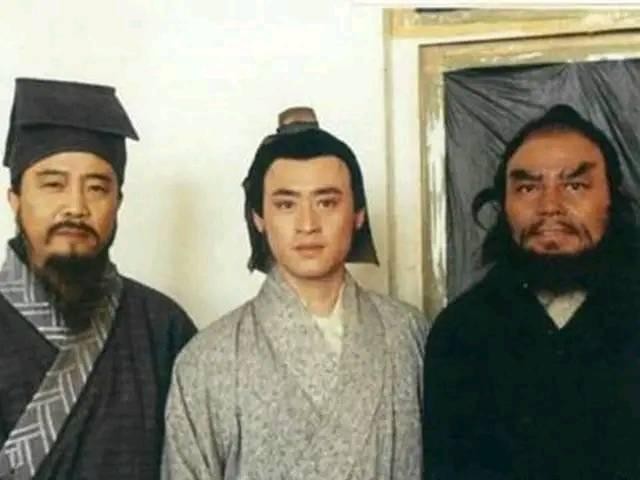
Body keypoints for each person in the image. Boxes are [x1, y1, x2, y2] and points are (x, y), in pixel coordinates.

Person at [162, 107, 430, 479]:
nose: (307, 225)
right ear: (259, 217)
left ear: (358, 214)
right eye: (286, 204)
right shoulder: (206, 358)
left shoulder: (407, 333)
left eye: (327, 202)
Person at [423, 104, 640, 479]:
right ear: (503, 206)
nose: (550, 207)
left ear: (612, 200)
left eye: (575, 185)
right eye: (528, 187)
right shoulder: (461, 332)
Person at [0, 78, 196, 479]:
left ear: (118, 202)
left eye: (96, 188)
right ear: (14, 199)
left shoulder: (163, 329)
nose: (75, 207)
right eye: (53, 185)